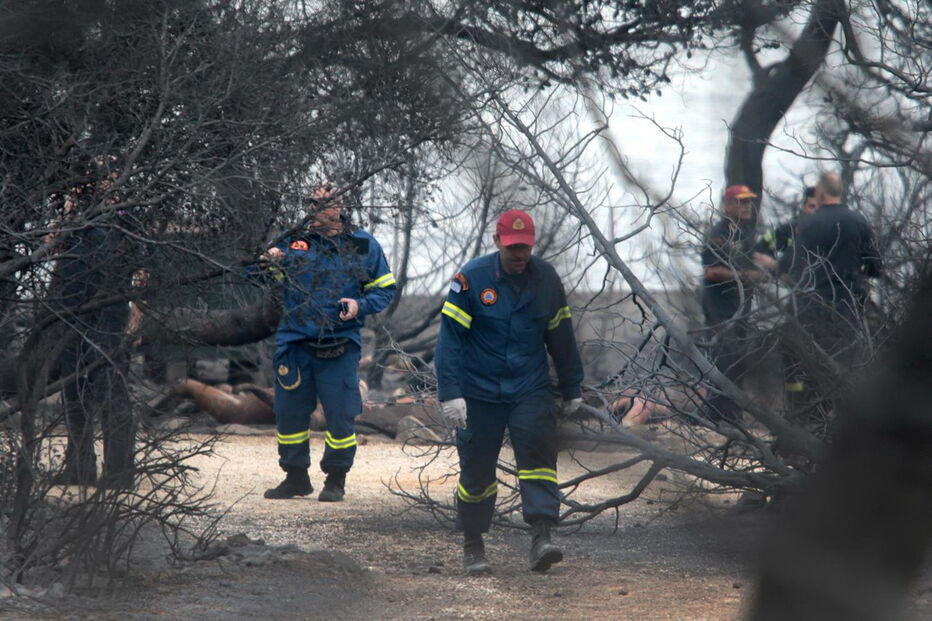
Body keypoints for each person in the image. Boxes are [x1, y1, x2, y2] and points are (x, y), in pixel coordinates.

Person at [435, 209, 584, 575]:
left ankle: (542, 537)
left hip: (528, 388)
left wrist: (572, 387)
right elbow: (450, 341)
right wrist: (450, 392)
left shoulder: (546, 279)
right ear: (497, 242)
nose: (519, 255)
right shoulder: (471, 279)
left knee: (538, 462)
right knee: (476, 473)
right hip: (479, 392)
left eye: (525, 247)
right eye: (512, 247)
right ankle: (474, 544)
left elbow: (561, 338)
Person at [251, 183, 396, 502]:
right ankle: (295, 477)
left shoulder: (362, 244)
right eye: (310, 203)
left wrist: (360, 305)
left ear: (338, 207)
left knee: (341, 413)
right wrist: (267, 261)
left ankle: (336, 479)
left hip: (340, 343)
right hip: (294, 342)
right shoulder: (293, 240)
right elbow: (252, 276)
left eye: (321, 203)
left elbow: (385, 289)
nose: (313, 209)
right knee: (289, 413)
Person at [52, 157, 137, 489]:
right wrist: (68, 214)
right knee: (74, 392)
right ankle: (79, 467)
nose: (85, 184)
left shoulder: (126, 216)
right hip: (71, 315)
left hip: (109, 315)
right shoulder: (75, 219)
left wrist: (136, 314)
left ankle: (119, 472)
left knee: (112, 392)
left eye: (95, 177)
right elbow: (52, 249)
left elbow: (142, 267)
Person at [777, 171, 882, 430]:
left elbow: (788, 265)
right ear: (840, 192)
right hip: (849, 309)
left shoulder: (808, 225)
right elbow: (875, 267)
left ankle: (813, 425)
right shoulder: (858, 221)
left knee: (810, 368)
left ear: (820, 193)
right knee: (847, 369)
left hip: (812, 308)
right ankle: (848, 429)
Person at [699, 184, 768, 422]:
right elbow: (711, 271)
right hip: (719, 307)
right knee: (723, 358)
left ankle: (732, 413)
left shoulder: (746, 233)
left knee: (738, 359)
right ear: (728, 205)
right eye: (741, 201)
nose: (747, 206)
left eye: (749, 201)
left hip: (739, 306)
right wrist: (744, 276)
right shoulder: (720, 232)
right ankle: (718, 415)